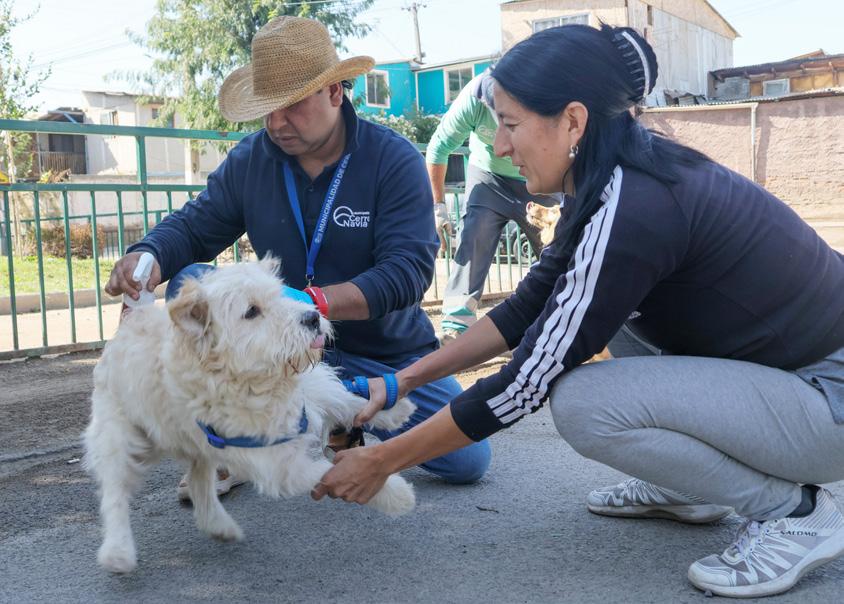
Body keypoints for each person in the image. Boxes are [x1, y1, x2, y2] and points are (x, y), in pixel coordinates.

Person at [313, 23, 844, 598]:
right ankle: (689, 488)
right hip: (794, 382)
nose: (499, 147)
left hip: (827, 400)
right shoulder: (609, 181)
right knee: (595, 313)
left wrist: (383, 461)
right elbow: (528, 307)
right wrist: (402, 382)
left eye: (510, 124)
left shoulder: (635, 206)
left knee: (582, 403)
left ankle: (798, 512)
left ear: (572, 120)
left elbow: (528, 381)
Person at [104, 16, 490, 500]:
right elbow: (195, 226)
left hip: (381, 353)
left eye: (290, 106)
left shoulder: (393, 161)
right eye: (267, 109)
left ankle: (334, 415)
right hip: (277, 347)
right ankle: (237, 450)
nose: (275, 123)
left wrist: (309, 304)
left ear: (334, 91)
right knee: (193, 282)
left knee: (467, 459)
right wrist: (147, 255)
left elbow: (406, 274)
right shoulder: (252, 159)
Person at [426, 68, 557, 342]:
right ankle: (456, 326)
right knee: (474, 236)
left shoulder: (539, 96)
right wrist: (438, 207)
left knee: (557, 247)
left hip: (538, 176)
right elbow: (438, 149)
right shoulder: (472, 100)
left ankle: (558, 319)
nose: (501, 144)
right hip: (487, 176)